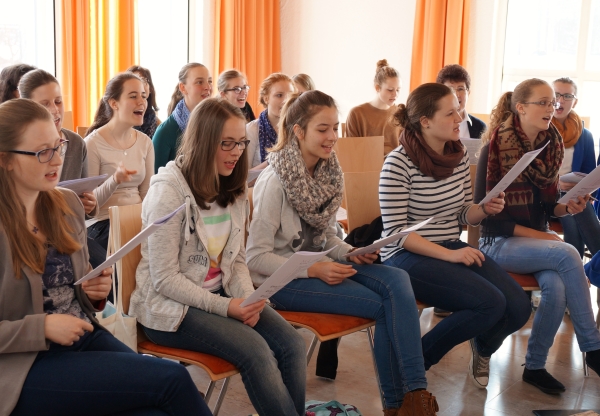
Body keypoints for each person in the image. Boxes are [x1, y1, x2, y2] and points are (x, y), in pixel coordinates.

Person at [0, 98, 210, 416]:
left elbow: (77, 291)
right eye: (42, 152)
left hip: (81, 337)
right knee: (173, 379)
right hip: (24, 364)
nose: (56, 160)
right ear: (5, 160)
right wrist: (41, 327)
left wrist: (92, 293)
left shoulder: (66, 204)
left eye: (58, 147)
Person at [247, 90, 439, 416]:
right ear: (298, 130)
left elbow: (327, 239)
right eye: (323, 129)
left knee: (397, 278)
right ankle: (399, 405)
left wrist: (351, 251)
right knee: (384, 306)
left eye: (335, 128)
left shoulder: (327, 172)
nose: (333, 137)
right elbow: (255, 259)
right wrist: (315, 269)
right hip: (283, 281)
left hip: (322, 267)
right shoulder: (274, 180)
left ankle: (414, 397)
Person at [129, 97, 306, 416]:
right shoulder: (168, 191)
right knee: (256, 352)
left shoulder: (234, 188)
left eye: (242, 142)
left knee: (292, 345)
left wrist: (249, 299)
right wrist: (227, 306)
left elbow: (236, 259)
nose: (237, 152)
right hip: (170, 308)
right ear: (203, 141)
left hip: (221, 295)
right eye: (227, 143)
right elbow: (164, 279)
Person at [380, 83, 531, 390]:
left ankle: (483, 347)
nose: (459, 117)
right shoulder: (397, 162)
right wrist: (452, 254)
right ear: (425, 121)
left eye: (459, 110)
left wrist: (484, 208)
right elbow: (396, 234)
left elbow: (463, 213)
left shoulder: (458, 156)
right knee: (489, 303)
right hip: (406, 255)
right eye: (450, 113)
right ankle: (414, 363)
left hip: (448, 246)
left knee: (519, 306)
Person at [475, 78, 600, 394]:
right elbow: (490, 223)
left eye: (553, 102)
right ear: (521, 108)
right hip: (497, 242)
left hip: (532, 240)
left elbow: (549, 207)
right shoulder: (493, 149)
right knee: (567, 252)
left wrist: (568, 207)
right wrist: (545, 238)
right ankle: (593, 347)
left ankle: (534, 366)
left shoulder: (550, 147)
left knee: (556, 288)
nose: (552, 107)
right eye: (543, 102)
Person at [18, 69, 105, 269]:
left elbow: (84, 202)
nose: (55, 110)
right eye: (45, 104)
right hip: (34, 233)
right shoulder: (21, 149)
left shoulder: (76, 142)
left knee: (105, 269)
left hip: (68, 230)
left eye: (58, 101)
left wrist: (90, 206)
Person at [85, 72, 154, 253]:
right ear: (114, 103)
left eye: (143, 96)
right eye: (133, 96)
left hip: (137, 221)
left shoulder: (145, 142)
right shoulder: (92, 143)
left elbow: (147, 193)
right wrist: (114, 180)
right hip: (103, 224)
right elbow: (90, 206)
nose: (142, 102)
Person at [551, 77, 600, 258]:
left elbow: (589, 174)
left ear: (575, 101)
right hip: (547, 197)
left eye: (567, 96)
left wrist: (582, 186)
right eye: (556, 94)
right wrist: (557, 184)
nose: (561, 100)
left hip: (575, 195)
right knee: (576, 214)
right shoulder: (541, 130)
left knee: (579, 208)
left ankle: (580, 272)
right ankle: (583, 270)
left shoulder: (584, 135)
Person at [153, 63, 212, 172]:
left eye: (209, 81)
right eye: (199, 82)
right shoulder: (165, 132)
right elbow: (155, 180)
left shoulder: (216, 125)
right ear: (183, 88)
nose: (208, 87)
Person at [346, 59, 402, 155]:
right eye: (390, 90)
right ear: (377, 88)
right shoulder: (357, 114)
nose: (395, 94)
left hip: (395, 168)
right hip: (365, 167)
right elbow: (352, 152)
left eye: (398, 90)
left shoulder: (400, 113)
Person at [246, 72, 295, 169]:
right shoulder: (252, 129)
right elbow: (244, 177)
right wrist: (274, 161)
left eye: (290, 95)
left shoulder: (297, 129)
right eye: (279, 95)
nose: (285, 100)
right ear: (266, 98)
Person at [436, 64, 486, 139]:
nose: (456, 95)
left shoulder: (481, 127)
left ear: (468, 93)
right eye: (450, 89)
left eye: (460, 89)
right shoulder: (434, 124)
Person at [127, 65, 160, 139]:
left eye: (143, 80)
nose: (139, 84)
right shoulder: (122, 121)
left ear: (150, 88)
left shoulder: (157, 124)